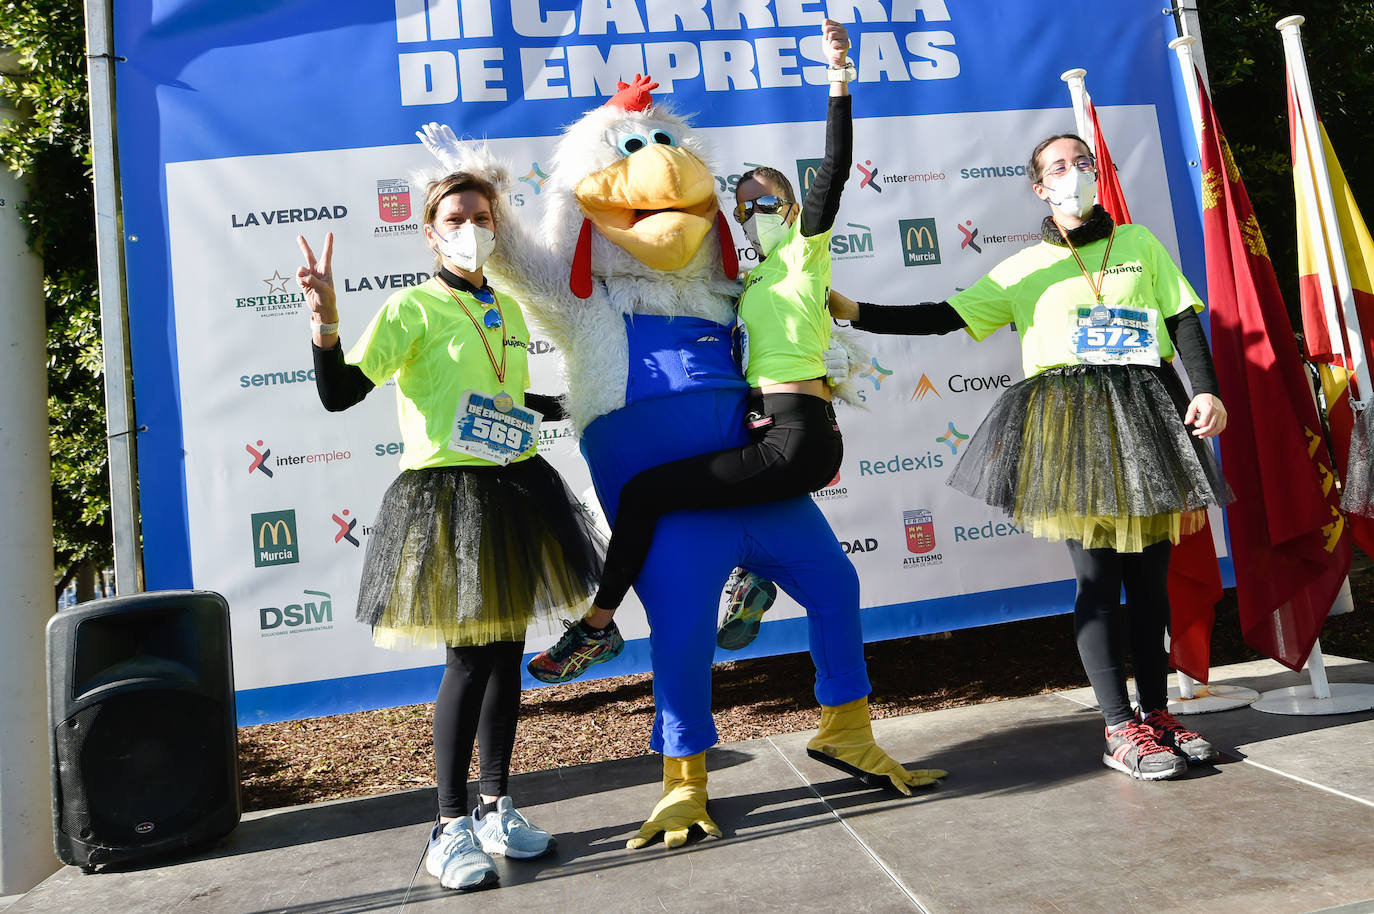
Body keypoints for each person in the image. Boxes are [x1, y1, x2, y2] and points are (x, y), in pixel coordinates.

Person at [829, 133, 1232, 781]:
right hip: (1073, 428)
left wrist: (1206, 388)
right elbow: (942, 317)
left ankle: (1156, 714)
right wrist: (856, 310)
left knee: (1150, 584)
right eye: (1057, 167)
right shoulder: (1020, 269)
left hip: (1149, 415)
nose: (1073, 173)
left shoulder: (1139, 244)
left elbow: (1182, 318)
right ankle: (1119, 725)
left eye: (1081, 163)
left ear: (1098, 174)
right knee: (1099, 582)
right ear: (1039, 188)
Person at [295, 171, 605, 891]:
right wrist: (326, 320)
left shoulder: (508, 307)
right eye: (457, 217)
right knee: (468, 660)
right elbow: (340, 393)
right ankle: (448, 825)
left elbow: (505, 396)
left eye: (484, 216)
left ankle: (496, 805)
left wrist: (582, 401)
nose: (473, 227)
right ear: (430, 232)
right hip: (453, 497)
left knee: (505, 654)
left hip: (518, 486)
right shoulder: (412, 308)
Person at [526, 17, 858, 683]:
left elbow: (831, 175)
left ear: (793, 211)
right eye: (746, 204)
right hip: (762, 431)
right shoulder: (744, 283)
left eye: (769, 201)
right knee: (651, 505)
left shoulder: (802, 256)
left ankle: (597, 627)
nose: (756, 210)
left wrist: (838, 78)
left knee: (650, 496)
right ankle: (741, 585)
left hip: (797, 440)